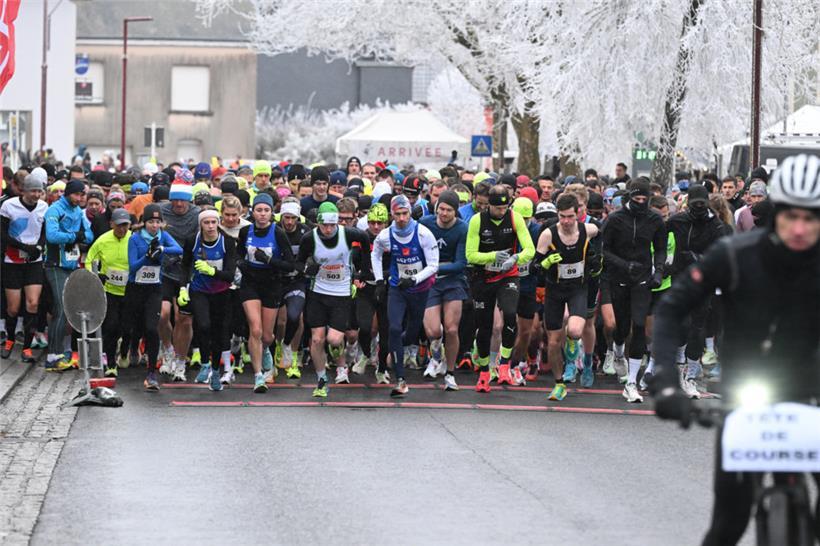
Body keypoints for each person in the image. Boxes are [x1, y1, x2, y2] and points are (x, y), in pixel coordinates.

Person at [651, 154, 820, 546]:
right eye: (790, 216)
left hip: (811, 387)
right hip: (747, 391)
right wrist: (665, 378)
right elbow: (673, 308)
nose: (799, 228)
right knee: (729, 521)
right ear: (774, 212)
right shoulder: (735, 254)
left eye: (810, 218)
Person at [601, 178, 666, 402]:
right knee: (621, 327)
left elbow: (660, 249)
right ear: (629, 197)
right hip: (619, 279)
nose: (640, 203)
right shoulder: (615, 219)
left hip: (642, 280)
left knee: (639, 326)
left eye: (644, 199)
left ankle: (631, 382)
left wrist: (658, 272)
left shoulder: (655, 219)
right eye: (636, 199)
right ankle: (618, 351)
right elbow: (604, 251)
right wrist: (623, 265)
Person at [465, 185, 535, 392]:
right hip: (483, 277)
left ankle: (504, 363)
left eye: (505, 207)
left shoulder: (515, 218)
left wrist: (516, 258)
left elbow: (529, 249)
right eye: (498, 209)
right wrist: (493, 256)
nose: (502, 212)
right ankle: (485, 371)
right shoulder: (478, 220)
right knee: (485, 326)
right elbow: (470, 255)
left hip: (508, 275)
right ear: (489, 206)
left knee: (511, 313)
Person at [297, 202, 370, 398]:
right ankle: (321, 380)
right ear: (318, 223)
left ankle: (339, 358)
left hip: (341, 293)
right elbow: (298, 263)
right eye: (324, 225)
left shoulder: (348, 234)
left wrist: (365, 268)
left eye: (332, 225)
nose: (328, 229)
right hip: (318, 292)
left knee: (334, 339)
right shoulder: (309, 238)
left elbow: (365, 239)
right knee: (317, 338)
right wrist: (306, 269)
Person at [371, 195, 439, 396]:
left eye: (405, 213)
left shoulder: (423, 233)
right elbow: (375, 254)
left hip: (419, 290)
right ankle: (400, 380)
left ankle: (397, 348)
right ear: (392, 214)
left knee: (410, 335)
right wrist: (379, 280)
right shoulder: (385, 235)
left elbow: (434, 265)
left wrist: (415, 279)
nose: (401, 218)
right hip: (397, 288)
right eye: (397, 214)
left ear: (410, 213)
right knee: (393, 328)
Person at [534, 194, 599, 400]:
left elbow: (602, 236)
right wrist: (544, 263)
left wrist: (596, 259)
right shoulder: (548, 234)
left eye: (570, 216)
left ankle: (573, 340)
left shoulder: (588, 230)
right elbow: (535, 266)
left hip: (578, 288)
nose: (566, 221)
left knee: (575, 329)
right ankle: (559, 383)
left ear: (578, 214)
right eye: (562, 216)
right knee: (553, 342)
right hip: (555, 289)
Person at [236, 193, 295, 393]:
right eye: (259, 210)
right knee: (256, 330)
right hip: (250, 283)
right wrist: (241, 263)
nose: (262, 214)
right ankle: (258, 376)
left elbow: (289, 265)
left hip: (272, 284)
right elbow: (237, 254)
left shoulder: (278, 233)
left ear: (272, 213)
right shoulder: (245, 232)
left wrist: (268, 260)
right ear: (253, 212)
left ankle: (267, 350)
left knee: (267, 336)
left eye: (266, 210)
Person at [127, 204, 183, 390]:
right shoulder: (135, 239)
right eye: (151, 222)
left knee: (152, 328)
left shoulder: (163, 237)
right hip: (136, 287)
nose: (154, 226)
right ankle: (134, 346)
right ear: (144, 223)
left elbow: (179, 249)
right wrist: (147, 255)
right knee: (136, 325)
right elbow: (133, 267)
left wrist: (162, 249)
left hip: (154, 288)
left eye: (158, 222)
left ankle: (151, 373)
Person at [180, 209, 237, 391]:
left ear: (218, 223)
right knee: (203, 325)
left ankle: (215, 371)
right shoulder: (192, 240)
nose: (211, 226)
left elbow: (230, 275)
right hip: (200, 291)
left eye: (214, 222)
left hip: (221, 292)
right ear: (201, 225)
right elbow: (184, 266)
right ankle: (205, 364)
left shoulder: (227, 242)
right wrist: (183, 287)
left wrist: (212, 271)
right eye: (207, 223)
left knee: (219, 332)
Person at [43, 179, 94, 370]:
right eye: (78, 195)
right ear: (68, 193)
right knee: (61, 309)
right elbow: (52, 236)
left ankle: (61, 353)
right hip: (55, 265)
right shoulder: (55, 210)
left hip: (71, 265)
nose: (81, 198)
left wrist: (79, 236)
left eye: (83, 195)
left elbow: (89, 235)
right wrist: (74, 236)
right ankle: (52, 357)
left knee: (67, 310)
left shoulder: (78, 211)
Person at [419, 190, 467, 391]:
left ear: (455, 212)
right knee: (433, 330)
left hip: (453, 281)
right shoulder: (425, 223)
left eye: (448, 210)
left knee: (452, 328)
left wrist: (435, 267)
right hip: (429, 282)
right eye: (441, 209)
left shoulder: (462, 228)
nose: (444, 213)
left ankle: (450, 372)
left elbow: (460, 264)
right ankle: (436, 355)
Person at [0, 174, 48, 363]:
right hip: (13, 261)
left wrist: (38, 247)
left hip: (34, 262)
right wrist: (23, 247)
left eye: (39, 191)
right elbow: (2, 234)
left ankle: (27, 347)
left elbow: (45, 232)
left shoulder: (44, 207)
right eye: (33, 191)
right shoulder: (8, 206)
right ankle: (10, 339)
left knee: (33, 303)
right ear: (24, 191)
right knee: (13, 308)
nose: (37, 195)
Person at [85, 208, 132, 376]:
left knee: (128, 328)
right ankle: (111, 364)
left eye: (125, 225)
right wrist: (97, 276)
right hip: (109, 291)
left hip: (129, 291)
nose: (122, 229)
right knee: (111, 326)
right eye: (119, 225)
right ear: (111, 224)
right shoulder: (102, 240)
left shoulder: (134, 239)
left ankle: (125, 350)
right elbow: (89, 260)